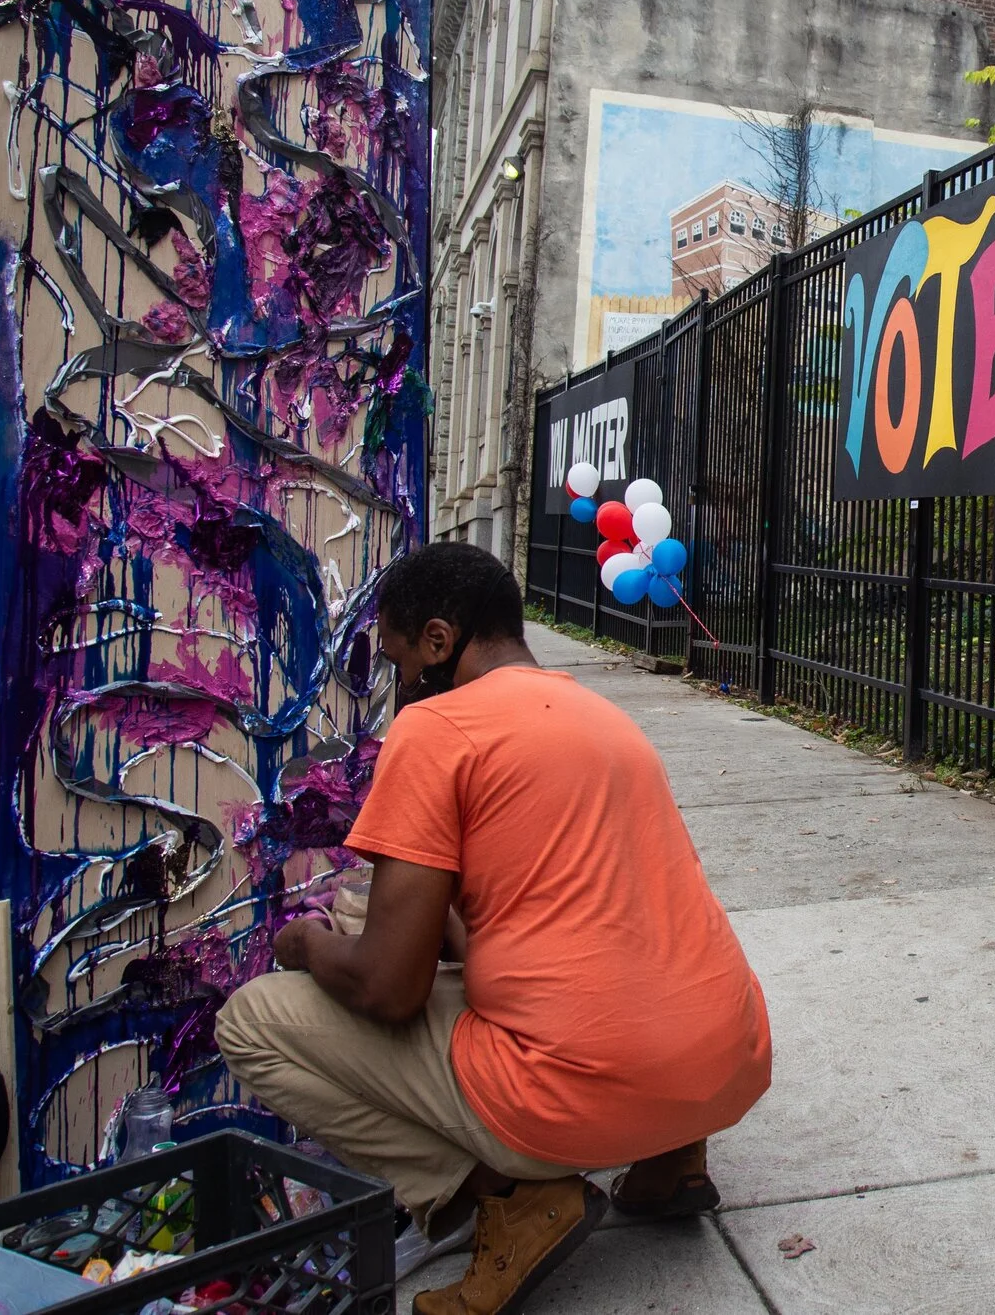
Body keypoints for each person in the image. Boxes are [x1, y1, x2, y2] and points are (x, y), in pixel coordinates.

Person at [216, 544, 772, 1315]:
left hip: (576, 1090)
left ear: (440, 642)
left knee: (251, 1021)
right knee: (371, 912)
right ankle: (671, 1157)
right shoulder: (600, 715)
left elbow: (389, 986)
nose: (398, 685)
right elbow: (585, 918)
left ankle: (509, 1197)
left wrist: (305, 947)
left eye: (401, 661)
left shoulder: (437, 729)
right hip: (721, 1061)